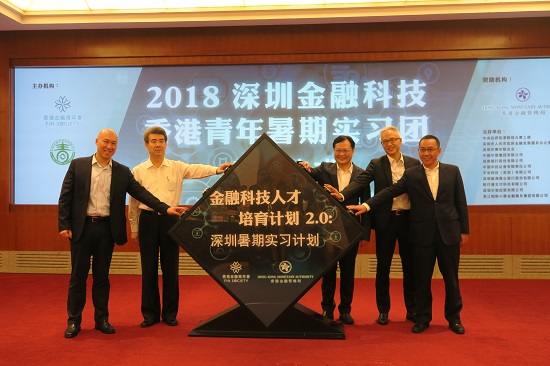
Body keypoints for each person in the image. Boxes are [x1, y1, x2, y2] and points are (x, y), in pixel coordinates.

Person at [58, 128, 184, 339]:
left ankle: (101, 319)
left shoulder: (122, 171)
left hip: (107, 230)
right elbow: (65, 196)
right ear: (96, 141)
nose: (109, 147)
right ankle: (74, 321)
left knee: (102, 278)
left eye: (114, 144)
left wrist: (165, 208)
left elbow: (141, 194)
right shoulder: (78, 165)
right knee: (78, 277)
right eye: (106, 142)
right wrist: (64, 224)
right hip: (82, 228)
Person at [347, 135, 469, 334]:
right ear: (418, 152)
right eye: (422, 150)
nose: (426, 153)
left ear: (439, 151)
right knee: (421, 279)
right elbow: (390, 191)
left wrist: (464, 230)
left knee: (451, 279)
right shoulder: (412, 174)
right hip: (422, 234)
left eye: (430, 149)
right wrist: (366, 205)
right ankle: (422, 318)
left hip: (449, 233)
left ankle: (454, 318)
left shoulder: (452, 171)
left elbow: (460, 202)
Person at [128, 126, 232, 328]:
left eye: (161, 141)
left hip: (171, 221)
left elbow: (195, 169)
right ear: (146, 145)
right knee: (148, 270)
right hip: (147, 221)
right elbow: (133, 202)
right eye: (153, 141)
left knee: (171, 268)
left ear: (166, 144)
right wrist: (134, 227)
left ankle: (169, 313)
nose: (158, 145)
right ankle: (149, 314)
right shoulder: (138, 171)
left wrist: (216, 170)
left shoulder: (176, 166)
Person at [326, 126, 419, 326]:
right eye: (385, 141)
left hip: (409, 221)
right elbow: (360, 182)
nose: (389, 144)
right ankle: (383, 311)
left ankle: (412, 310)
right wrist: (343, 195)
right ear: (381, 144)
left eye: (393, 139)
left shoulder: (414, 163)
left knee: (410, 268)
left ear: (400, 140)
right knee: (382, 268)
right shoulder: (376, 164)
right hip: (386, 222)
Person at [299, 135, 371, 325]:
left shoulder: (362, 174)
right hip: (328, 229)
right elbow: (305, 171)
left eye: (346, 150)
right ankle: (327, 309)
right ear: (334, 151)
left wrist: (366, 233)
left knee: (348, 272)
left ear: (353, 152)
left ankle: (345, 310)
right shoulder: (324, 170)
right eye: (338, 150)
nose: (342, 154)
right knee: (328, 271)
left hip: (351, 231)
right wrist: (302, 163)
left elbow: (366, 204)